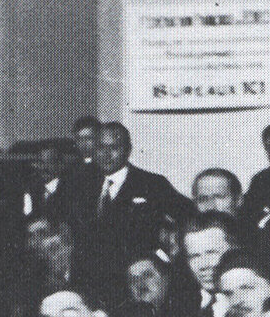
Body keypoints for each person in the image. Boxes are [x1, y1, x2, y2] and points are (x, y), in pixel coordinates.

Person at [60, 122, 195, 306]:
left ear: (128, 150)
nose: (106, 155)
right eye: (100, 148)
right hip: (88, 283)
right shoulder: (78, 184)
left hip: (131, 285)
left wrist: (170, 254)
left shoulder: (151, 184)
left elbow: (188, 216)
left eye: (114, 148)